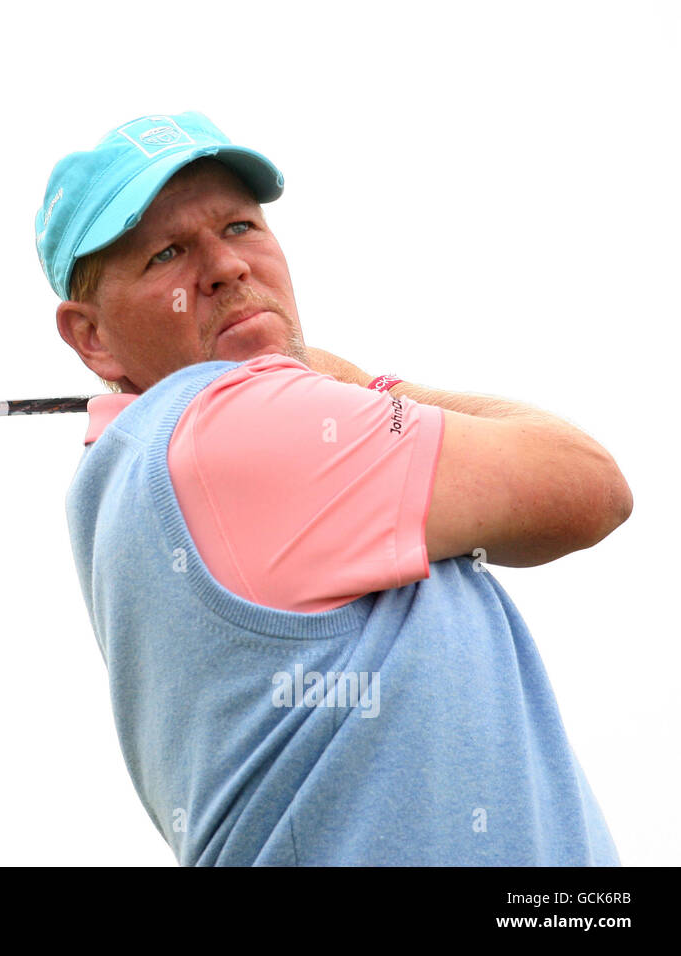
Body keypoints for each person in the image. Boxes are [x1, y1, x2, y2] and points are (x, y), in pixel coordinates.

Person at [37, 111, 632, 866]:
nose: (224, 266)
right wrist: (366, 382)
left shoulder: (137, 469)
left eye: (241, 227)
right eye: (166, 253)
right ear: (90, 336)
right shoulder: (233, 424)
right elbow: (588, 484)